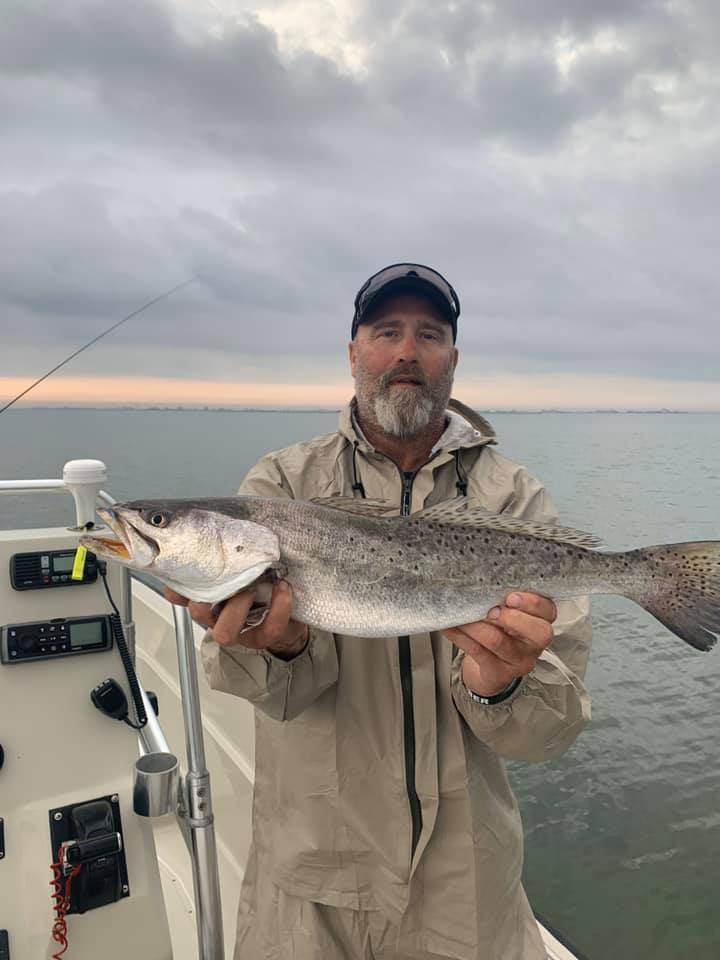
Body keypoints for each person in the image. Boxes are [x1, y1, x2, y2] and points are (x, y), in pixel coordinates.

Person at [166, 263, 592, 960]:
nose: (406, 352)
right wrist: (276, 648)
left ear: (453, 359)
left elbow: (549, 733)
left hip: (469, 889)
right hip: (308, 880)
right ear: (353, 352)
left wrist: (503, 683)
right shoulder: (280, 487)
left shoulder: (512, 496)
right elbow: (273, 697)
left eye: (429, 334)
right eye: (386, 331)